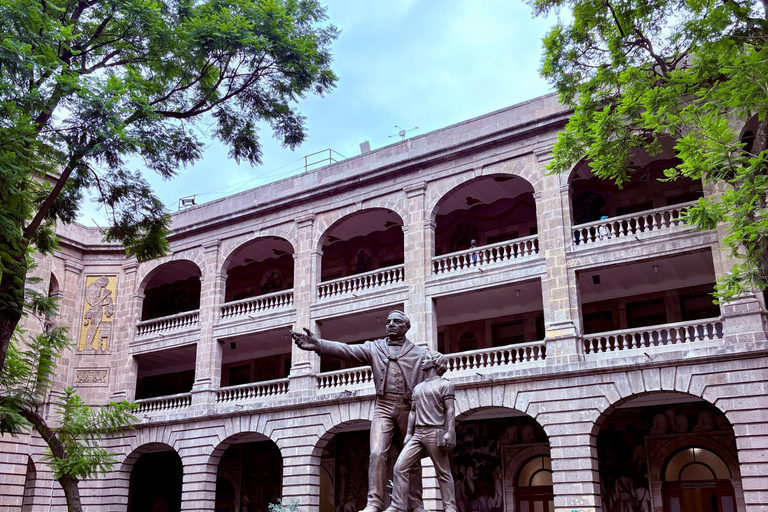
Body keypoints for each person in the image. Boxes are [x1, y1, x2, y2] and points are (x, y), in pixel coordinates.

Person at [291, 310, 427, 512]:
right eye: (388, 322)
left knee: (411, 457)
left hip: (408, 407)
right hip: (383, 405)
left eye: (396, 322)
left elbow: (431, 382)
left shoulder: (419, 354)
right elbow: (347, 350)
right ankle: (374, 502)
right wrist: (318, 345)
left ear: (406, 327)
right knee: (376, 453)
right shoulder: (376, 348)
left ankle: (416, 504)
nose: (390, 324)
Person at [385, 350, 457, 512]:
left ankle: (450, 507)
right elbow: (413, 412)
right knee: (400, 467)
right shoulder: (418, 388)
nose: (423, 362)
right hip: (417, 434)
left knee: (443, 472)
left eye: (426, 360)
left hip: (435, 432)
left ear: (435, 363)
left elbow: (450, 410)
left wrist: (450, 431)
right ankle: (398, 505)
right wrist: (409, 433)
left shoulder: (445, 385)